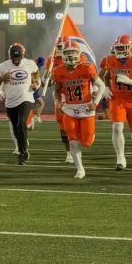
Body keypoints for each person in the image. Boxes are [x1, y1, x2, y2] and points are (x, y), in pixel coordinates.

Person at [53, 41, 105, 178]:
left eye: (73, 53)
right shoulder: (58, 71)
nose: (70, 56)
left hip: (86, 108)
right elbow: (56, 90)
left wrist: (96, 102)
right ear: (62, 55)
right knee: (72, 140)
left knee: (87, 143)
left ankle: (90, 135)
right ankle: (80, 169)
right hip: (69, 109)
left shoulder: (86, 68)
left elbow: (101, 86)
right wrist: (58, 101)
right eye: (67, 53)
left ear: (78, 54)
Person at [104, 34, 132, 171]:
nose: (120, 50)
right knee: (117, 127)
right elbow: (106, 76)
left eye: (123, 47)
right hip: (117, 99)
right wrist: (106, 87)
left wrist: (131, 82)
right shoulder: (111, 60)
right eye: (118, 48)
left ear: (131, 48)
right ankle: (120, 158)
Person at [0, 43, 40, 165]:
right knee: (15, 128)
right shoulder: (3, 66)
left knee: (21, 123)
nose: (16, 61)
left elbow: (36, 71)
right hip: (11, 101)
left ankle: (22, 153)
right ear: (10, 56)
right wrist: (3, 78)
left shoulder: (29, 63)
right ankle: (24, 147)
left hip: (26, 98)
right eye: (14, 58)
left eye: (18, 59)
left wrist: (36, 83)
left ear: (23, 56)